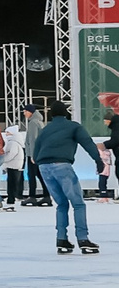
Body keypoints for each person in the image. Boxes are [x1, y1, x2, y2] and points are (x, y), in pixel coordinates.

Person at [32, 100, 99, 254]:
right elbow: (87, 143)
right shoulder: (73, 126)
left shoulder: (46, 129)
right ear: (65, 113)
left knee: (61, 204)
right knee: (78, 203)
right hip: (61, 165)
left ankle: (61, 239)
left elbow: (35, 153)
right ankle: (83, 239)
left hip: (44, 167)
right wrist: (98, 160)